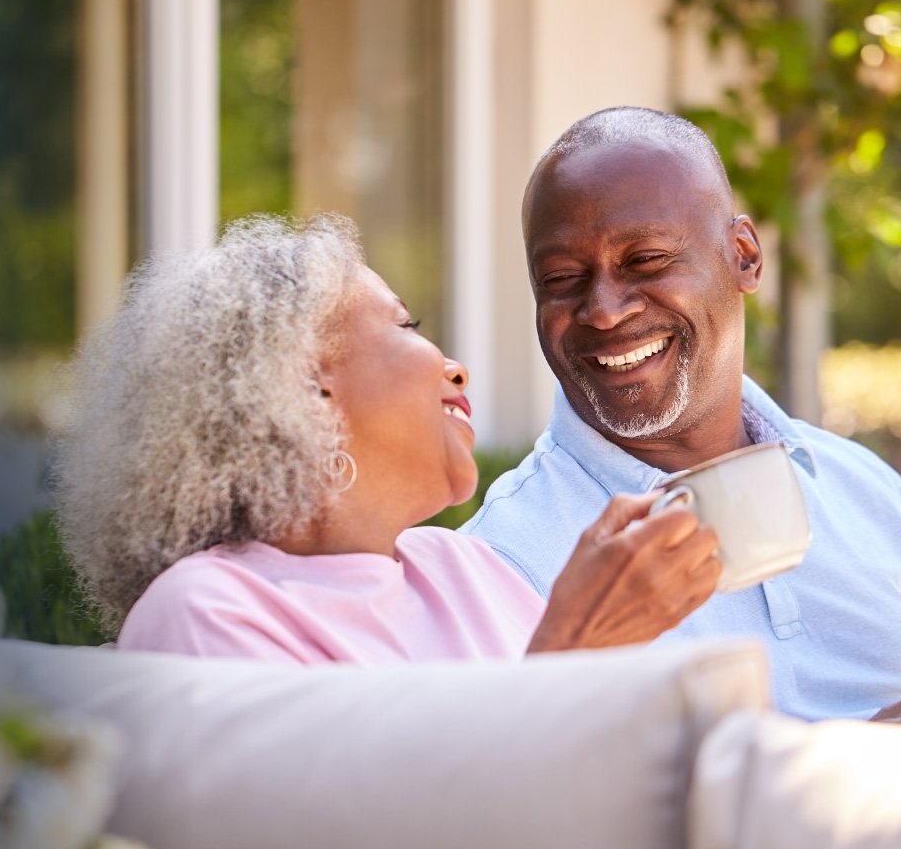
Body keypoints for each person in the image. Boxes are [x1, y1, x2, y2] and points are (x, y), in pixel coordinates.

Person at [462, 106, 901, 741]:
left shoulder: (863, 489)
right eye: (563, 278)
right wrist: (870, 762)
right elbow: (545, 823)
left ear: (743, 256)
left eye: (647, 260)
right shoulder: (507, 556)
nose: (602, 310)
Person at [55, 214, 722, 664]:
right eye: (406, 326)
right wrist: (575, 651)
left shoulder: (468, 569)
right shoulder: (207, 612)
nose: (455, 367)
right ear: (304, 388)